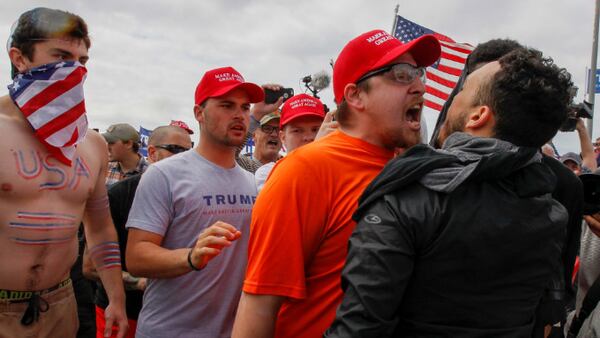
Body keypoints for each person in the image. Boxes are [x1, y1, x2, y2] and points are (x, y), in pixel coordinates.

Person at [325, 47, 574, 337]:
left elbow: (358, 329)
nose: (448, 99)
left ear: (478, 116)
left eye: (463, 89)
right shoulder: (550, 212)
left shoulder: (410, 199)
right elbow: (543, 319)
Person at [231, 29, 441, 338]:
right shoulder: (304, 171)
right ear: (355, 95)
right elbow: (259, 305)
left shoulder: (412, 169)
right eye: (401, 74)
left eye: (419, 74)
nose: (420, 87)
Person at [1, 7, 128, 337]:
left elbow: (99, 227)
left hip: (60, 303)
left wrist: (116, 298)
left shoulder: (92, 144)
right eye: (60, 55)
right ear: (20, 58)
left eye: (82, 60)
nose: (74, 69)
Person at [125, 66, 262, 338]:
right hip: (169, 331)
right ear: (199, 113)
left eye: (245, 107)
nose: (238, 115)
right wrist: (191, 256)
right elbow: (137, 257)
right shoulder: (164, 174)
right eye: (226, 105)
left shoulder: (251, 182)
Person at [83, 125, 192, 338]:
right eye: (175, 150)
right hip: (122, 314)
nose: (184, 159)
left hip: (173, 317)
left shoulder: (193, 197)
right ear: (151, 153)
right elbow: (90, 267)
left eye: (189, 152)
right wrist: (140, 281)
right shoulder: (119, 194)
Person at [255, 93, 325, 191]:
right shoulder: (268, 173)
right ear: (283, 137)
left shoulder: (336, 170)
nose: (308, 137)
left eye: (315, 130)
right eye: (297, 131)